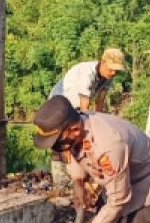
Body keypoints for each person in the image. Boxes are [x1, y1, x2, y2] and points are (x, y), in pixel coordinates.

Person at [48, 48, 127, 185]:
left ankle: (78, 177)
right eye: (111, 69)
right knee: (65, 139)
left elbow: (100, 102)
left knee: (83, 137)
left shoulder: (107, 77)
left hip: (76, 105)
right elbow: (85, 109)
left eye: (116, 71)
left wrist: (100, 125)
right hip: (61, 102)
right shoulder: (87, 73)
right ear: (102, 62)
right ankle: (62, 181)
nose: (113, 73)